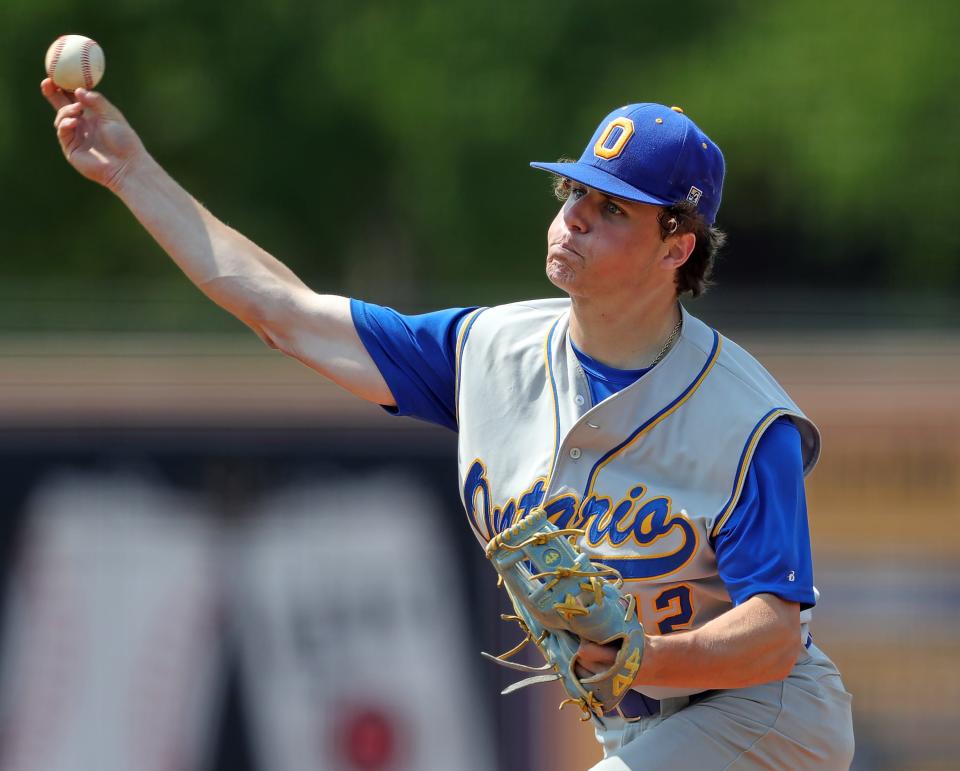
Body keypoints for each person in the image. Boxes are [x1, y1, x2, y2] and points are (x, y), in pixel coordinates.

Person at [42, 81, 855, 769]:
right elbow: (284, 314)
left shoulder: (747, 419)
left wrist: (647, 653)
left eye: (611, 209)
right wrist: (132, 172)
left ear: (676, 245)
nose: (574, 216)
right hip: (642, 728)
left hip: (766, 717)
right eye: (573, 191)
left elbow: (776, 632)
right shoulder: (486, 351)